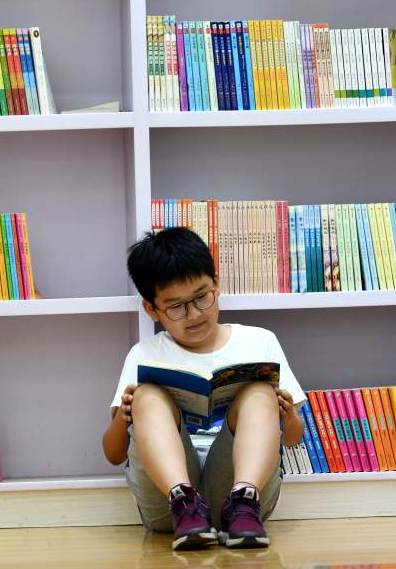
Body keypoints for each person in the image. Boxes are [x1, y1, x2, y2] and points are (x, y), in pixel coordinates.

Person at [102, 228, 307, 551]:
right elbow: (114, 454)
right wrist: (124, 417)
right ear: (151, 310)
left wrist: (287, 415)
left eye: (202, 297)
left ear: (217, 284)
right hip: (166, 503)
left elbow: (293, 438)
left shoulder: (260, 341)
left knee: (259, 391)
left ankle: (243, 498)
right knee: (147, 394)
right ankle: (184, 500)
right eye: (177, 307)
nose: (195, 313)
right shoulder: (144, 354)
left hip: (243, 501)